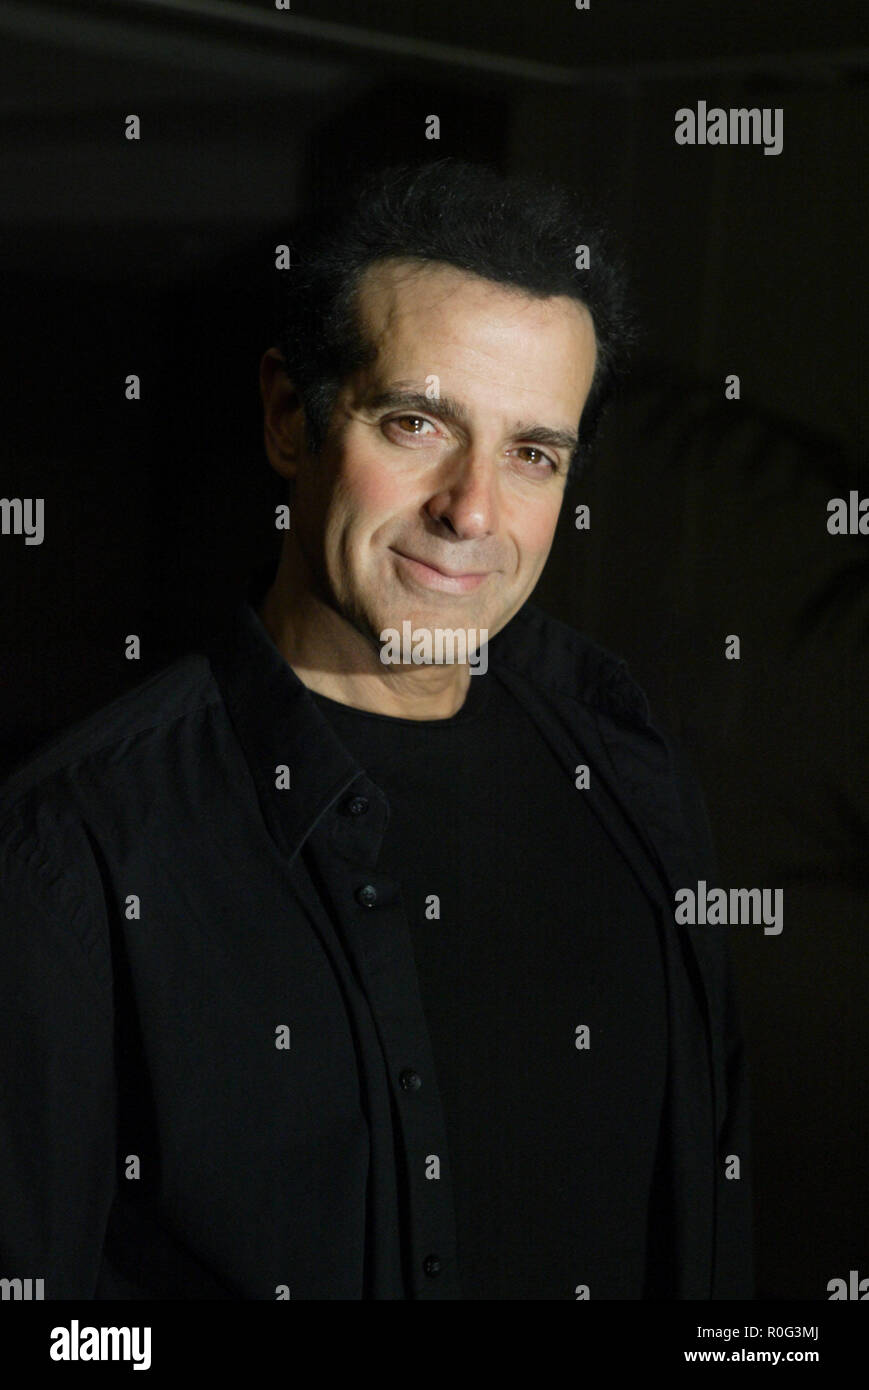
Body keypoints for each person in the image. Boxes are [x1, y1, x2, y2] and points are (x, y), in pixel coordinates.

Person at [0, 157, 752, 1300]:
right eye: (415, 423)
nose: (472, 510)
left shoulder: (629, 766)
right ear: (287, 419)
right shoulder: (79, 849)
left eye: (531, 454)